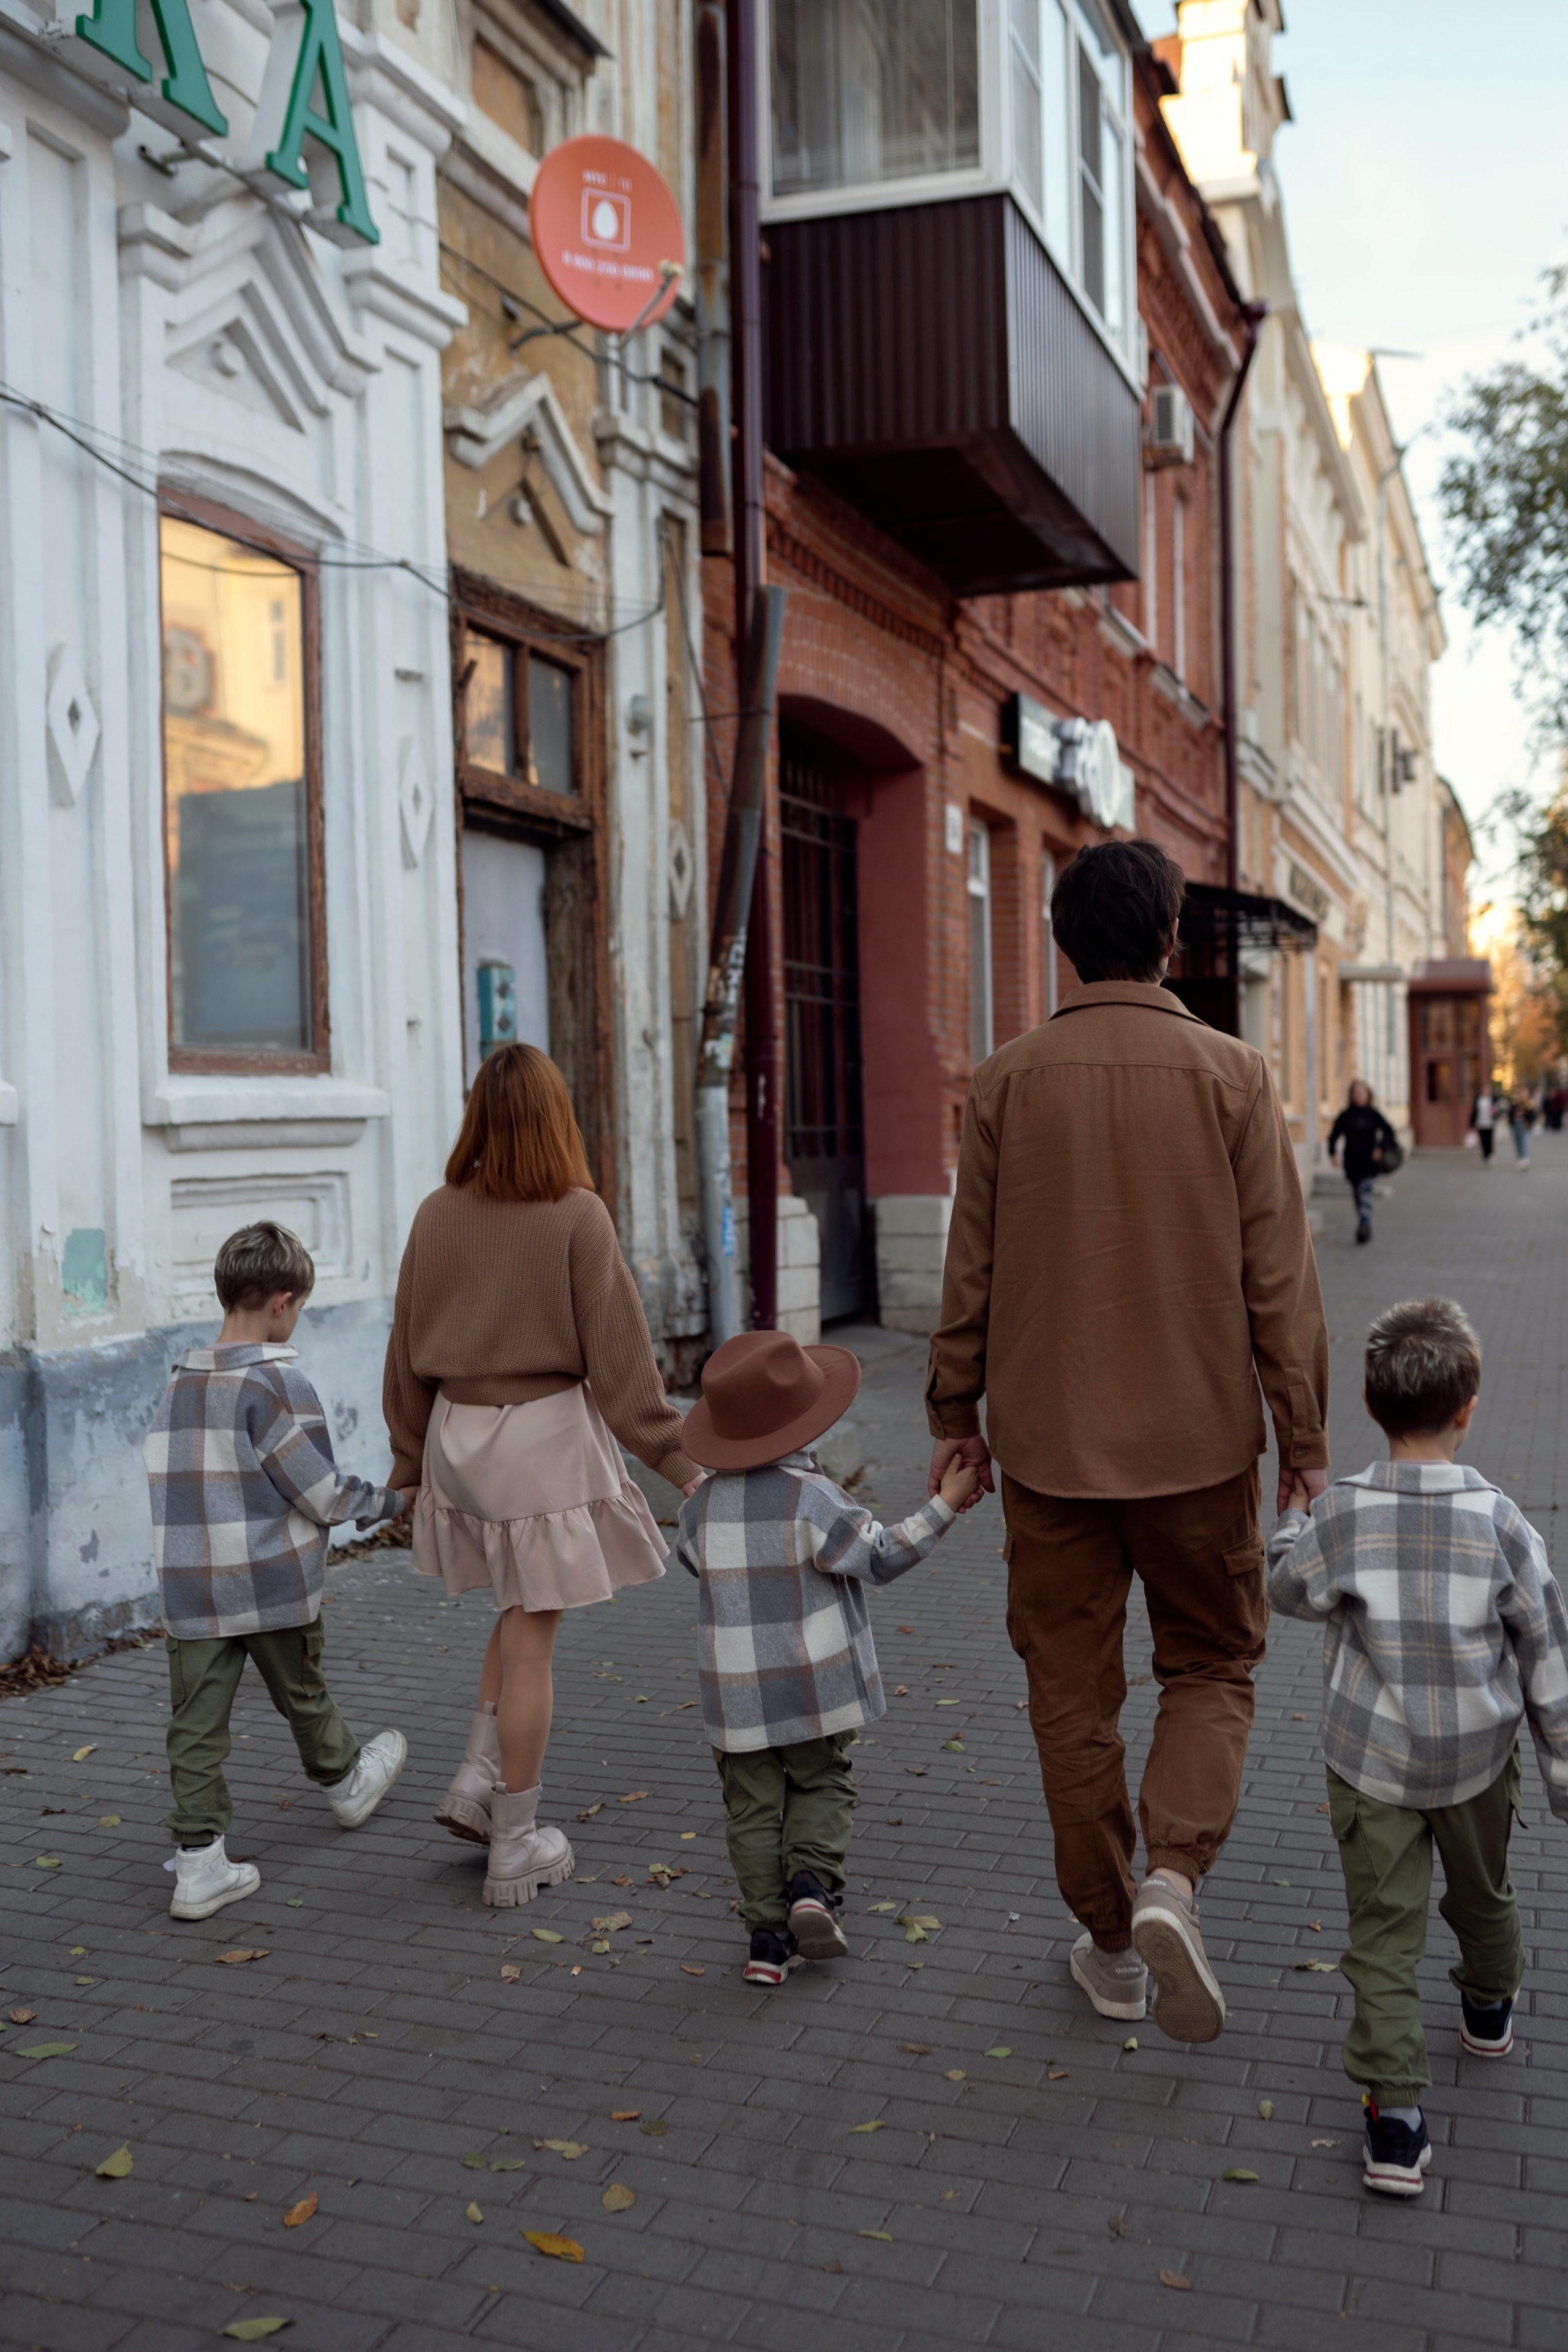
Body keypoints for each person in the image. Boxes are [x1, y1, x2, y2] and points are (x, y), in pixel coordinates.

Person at [925, 837, 1329, 2045]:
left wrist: (953, 1415)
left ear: (1059, 943)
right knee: (1209, 1664)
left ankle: (1108, 1942)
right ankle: (1173, 1880)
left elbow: (969, 1271)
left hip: (1046, 1451)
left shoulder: (1004, 1081)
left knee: (1069, 1692)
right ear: (1169, 940)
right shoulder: (1233, 1075)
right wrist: (1300, 1434)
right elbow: (1278, 1278)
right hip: (1202, 1446)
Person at [384, 1043, 702, 1908]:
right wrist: (682, 1463)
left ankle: (476, 1781)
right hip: (541, 1443)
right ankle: (516, 1843)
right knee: (534, 1638)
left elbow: (403, 1355)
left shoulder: (435, 1214)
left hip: (460, 1441)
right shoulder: (576, 1215)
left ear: (477, 1118)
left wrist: (408, 1465)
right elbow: (624, 1366)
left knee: (513, 1607)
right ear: (557, 1117)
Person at [1267, 1298, 1568, 2198]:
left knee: (1383, 1935)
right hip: (1478, 1761)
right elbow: (1547, 1657)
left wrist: (1291, 1519)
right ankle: (1487, 2008)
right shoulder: (1505, 1524)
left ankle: (1395, 2122)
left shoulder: (1345, 1516)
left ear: (1367, 1400)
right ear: (1470, 1405)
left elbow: (1289, 1590)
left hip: (1373, 1766)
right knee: (1486, 1895)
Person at [677, 1330, 979, 1985]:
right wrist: (945, 1505)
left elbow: (690, 1560)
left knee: (751, 1808)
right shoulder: (812, 1498)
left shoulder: (700, 1506)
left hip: (735, 1696)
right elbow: (879, 1556)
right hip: (815, 1686)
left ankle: (766, 1938)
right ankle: (812, 1887)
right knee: (821, 1781)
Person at [144, 1222, 409, 1922]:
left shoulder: (177, 1383)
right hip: (271, 1582)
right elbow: (319, 1492)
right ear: (285, 1303)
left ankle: (199, 1864)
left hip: (193, 1585)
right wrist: (392, 1502)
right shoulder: (278, 1382)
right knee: (302, 1693)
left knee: (195, 1725)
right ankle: (347, 1780)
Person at [1327, 1080, 1400, 1245]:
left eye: (1362, 1093)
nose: (1359, 1096)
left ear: (1368, 1095)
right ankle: (1364, 1221)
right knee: (1358, 1197)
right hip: (1352, 1163)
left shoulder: (1373, 1115)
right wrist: (1333, 1154)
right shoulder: (1346, 1116)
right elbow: (1333, 1137)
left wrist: (1380, 1148)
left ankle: (1364, 1228)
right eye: (1356, 1093)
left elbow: (1390, 1132)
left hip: (1369, 1163)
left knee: (1365, 1194)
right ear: (1351, 1096)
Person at [1469, 1082, 1498, 1161]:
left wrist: (1495, 1113)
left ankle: (1490, 1153)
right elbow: (1475, 1111)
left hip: (1490, 1122)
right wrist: (1472, 1123)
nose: (1486, 1091)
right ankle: (1485, 1154)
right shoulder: (1479, 1099)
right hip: (1481, 1122)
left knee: (1489, 1138)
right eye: (1485, 1089)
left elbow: (1496, 1109)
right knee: (1483, 1138)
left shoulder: (1492, 1099)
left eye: (1488, 1090)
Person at [1509, 1089, 1536, 1168]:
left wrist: (1528, 1121)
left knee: (1525, 1142)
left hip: (1526, 1126)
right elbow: (1510, 1114)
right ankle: (1520, 1158)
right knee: (1518, 1142)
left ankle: (1525, 1158)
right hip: (1517, 1125)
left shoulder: (1530, 1104)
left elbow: (1533, 1116)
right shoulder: (1516, 1104)